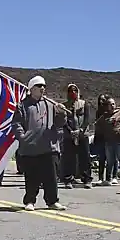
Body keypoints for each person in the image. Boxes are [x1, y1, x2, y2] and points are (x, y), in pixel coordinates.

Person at [11, 75, 67, 211]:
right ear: (32, 89)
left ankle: (52, 201)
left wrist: (61, 114)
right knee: (31, 177)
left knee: (51, 177)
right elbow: (16, 123)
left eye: (44, 86)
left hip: (49, 146)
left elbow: (60, 123)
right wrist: (23, 137)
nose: (42, 88)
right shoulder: (23, 105)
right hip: (30, 148)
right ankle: (30, 201)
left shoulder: (50, 104)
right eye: (39, 86)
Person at [61, 84, 92, 189]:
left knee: (85, 157)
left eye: (75, 90)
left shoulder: (84, 104)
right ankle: (68, 179)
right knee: (69, 158)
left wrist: (81, 130)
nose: (73, 92)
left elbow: (87, 119)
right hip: (69, 135)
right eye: (70, 90)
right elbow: (63, 121)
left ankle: (87, 179)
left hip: (82, 135)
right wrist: (71, 131)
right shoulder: (64, 105)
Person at [100, 97, 120, 186]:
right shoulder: (104, 115)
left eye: (113, 104)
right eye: (110, 104)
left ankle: (115, 177)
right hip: (108, 141)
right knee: (110, 161)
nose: (112, 106)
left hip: (118, 140)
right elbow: (99, 125)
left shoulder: (119, 113)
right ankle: (108, 179)